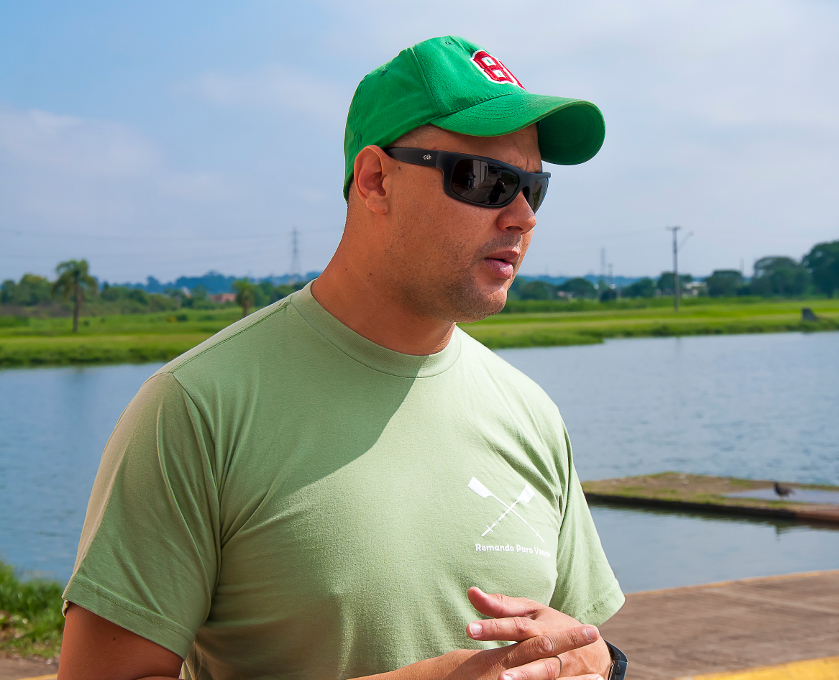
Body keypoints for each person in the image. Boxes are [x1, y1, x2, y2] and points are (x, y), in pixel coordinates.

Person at [58, 36, 626, 680]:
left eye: (534, 187)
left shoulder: (530, 413)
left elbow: (582, 642)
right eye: (487, 181)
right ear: (375, 179)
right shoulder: (199, 407)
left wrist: (599, 663)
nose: (522, 215)